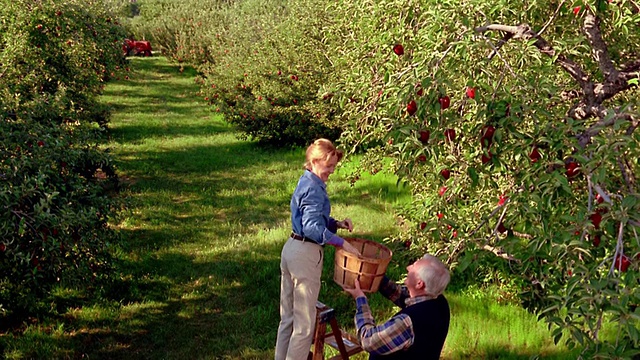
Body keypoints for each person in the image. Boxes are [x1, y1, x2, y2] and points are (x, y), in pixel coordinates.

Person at [275, 138, 360, 360]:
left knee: (288, 319)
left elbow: (310, 219)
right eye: (328, 165)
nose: (331, 171)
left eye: (333, 166)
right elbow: (312, 228)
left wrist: (337, 224)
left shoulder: (306, 181)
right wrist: (343, 243)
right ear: (314, 161)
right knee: (304, 326)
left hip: (291, 248)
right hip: (305, 255)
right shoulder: (313, 188)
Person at [343, 254, 451, 359]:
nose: (408, 267)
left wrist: (360, 299)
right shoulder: (439, 302)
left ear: (419, 284)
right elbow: (403, 296)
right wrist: (377, 278)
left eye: (413, 266)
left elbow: (368, 340)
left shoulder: (406, 322)